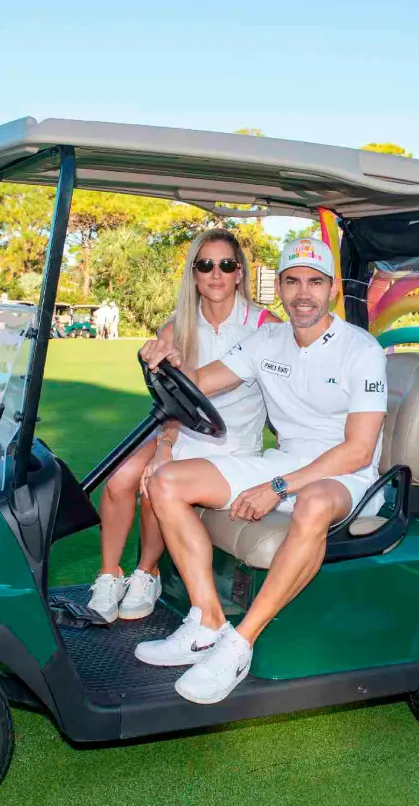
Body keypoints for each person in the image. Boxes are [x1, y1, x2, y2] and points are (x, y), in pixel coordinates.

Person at [138, 237, 387, 704]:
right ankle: (207, 619)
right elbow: (201, 382)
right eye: (292, 282)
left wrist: (279, 487)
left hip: (346, 476)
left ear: (331, 290)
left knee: (312, 502)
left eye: (314, 282)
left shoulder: (361, 350)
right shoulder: (267, 340)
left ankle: (240, 642)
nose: (303, 293)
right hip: (286, 460)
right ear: (280, 288)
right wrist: (165, 361)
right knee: (165, 482)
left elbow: (358, 450)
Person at [87, 228, 279, 622]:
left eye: (226, 265)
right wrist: (164, 446)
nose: (215, 274)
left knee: (157, 482)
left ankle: (147, 571)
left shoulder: (264, 326)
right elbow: (172, 403)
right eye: (205, 265)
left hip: (233, 446)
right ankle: (109, 574)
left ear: (239, 273)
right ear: (194, 274)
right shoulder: (177, 329)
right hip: (181, 434)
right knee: (122, 476)